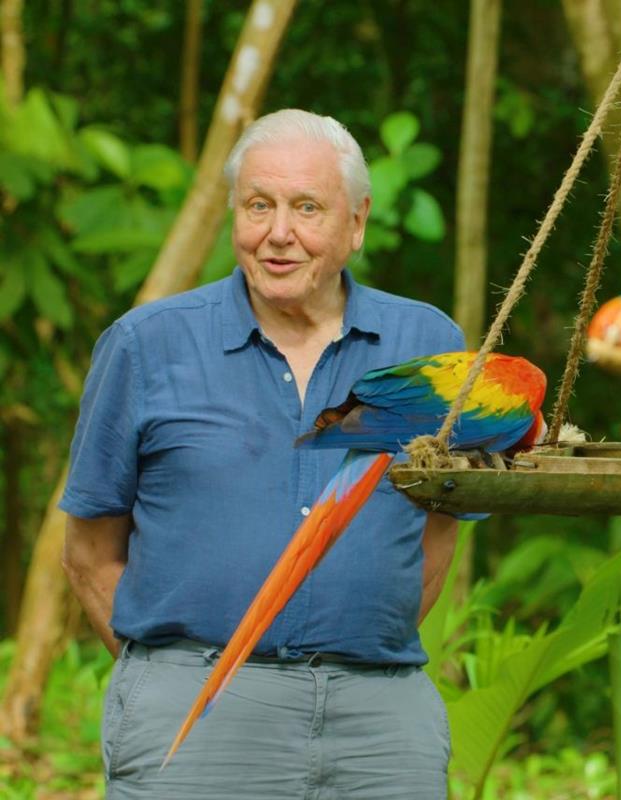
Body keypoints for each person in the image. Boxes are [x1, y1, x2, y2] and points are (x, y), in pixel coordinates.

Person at [60, 109, 461, 799]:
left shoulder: (426, 346)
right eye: (258, 206)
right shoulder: (145, 345)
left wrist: (349, 653)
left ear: (356, 223)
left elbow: (438, 528)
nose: (279, 233)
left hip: (380, 723)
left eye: (307, 208)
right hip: (194, 712)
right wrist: (164, 681)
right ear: (234, 217)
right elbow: (89, 552)